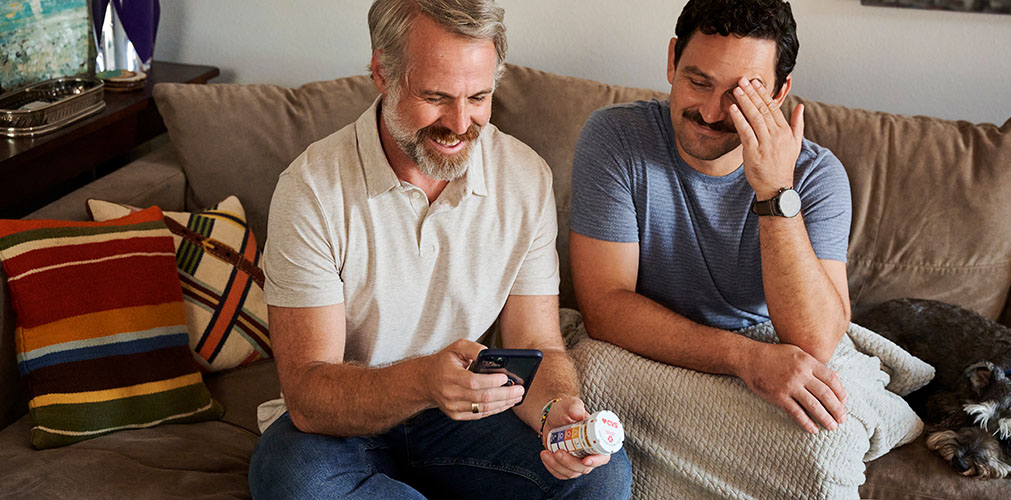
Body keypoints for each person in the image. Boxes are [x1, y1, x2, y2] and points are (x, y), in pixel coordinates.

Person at [248, 0, 632, 498]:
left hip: (466, 418)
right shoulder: (312, 189)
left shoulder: (524, 176)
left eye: (478, 97)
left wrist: (552, 414)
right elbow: (309, 396)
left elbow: (538, 342)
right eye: (435, 97)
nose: (459, 122)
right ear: (382, 73)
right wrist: (425, 381)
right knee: (293, 478)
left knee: (602, 475)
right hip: (340, 429)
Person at [569, 0, 853, 436]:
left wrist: (776, 191)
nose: (712, 112)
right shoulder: (616, 139)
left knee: (823, 443)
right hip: (651, 355)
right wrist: (744, 359)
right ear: (672, 61)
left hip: (774, 356)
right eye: (698, 82)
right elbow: (604, 309)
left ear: (778, 94)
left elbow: (815, 342)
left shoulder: (818, 174)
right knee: (587, 385)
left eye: (741, 95)